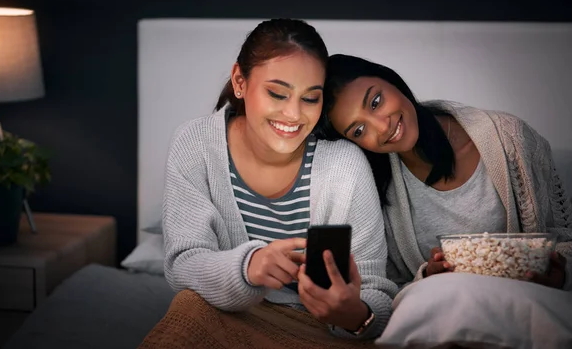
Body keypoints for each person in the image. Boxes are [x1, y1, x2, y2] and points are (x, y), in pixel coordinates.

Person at [139, 21, 398, 349]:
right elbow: (183, 262)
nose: (293, 114)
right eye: (277, 93)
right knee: (188, 309)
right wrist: (249, 266)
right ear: (239, 82)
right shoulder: (195, 144)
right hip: (231, 316)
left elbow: (377, 294)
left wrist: (354, 313)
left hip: (323, 332)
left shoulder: (344, 165)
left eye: (310, 98)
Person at [314, 53, 572, 348]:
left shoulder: (512, 138)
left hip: (527, 311)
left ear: (389, 79)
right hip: (445, 326)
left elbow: (565, 239)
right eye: (359, 131)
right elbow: (390, 291)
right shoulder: (374, 186)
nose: (381, 127)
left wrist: (558, 274)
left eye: (375, 102)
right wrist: (428, 275)